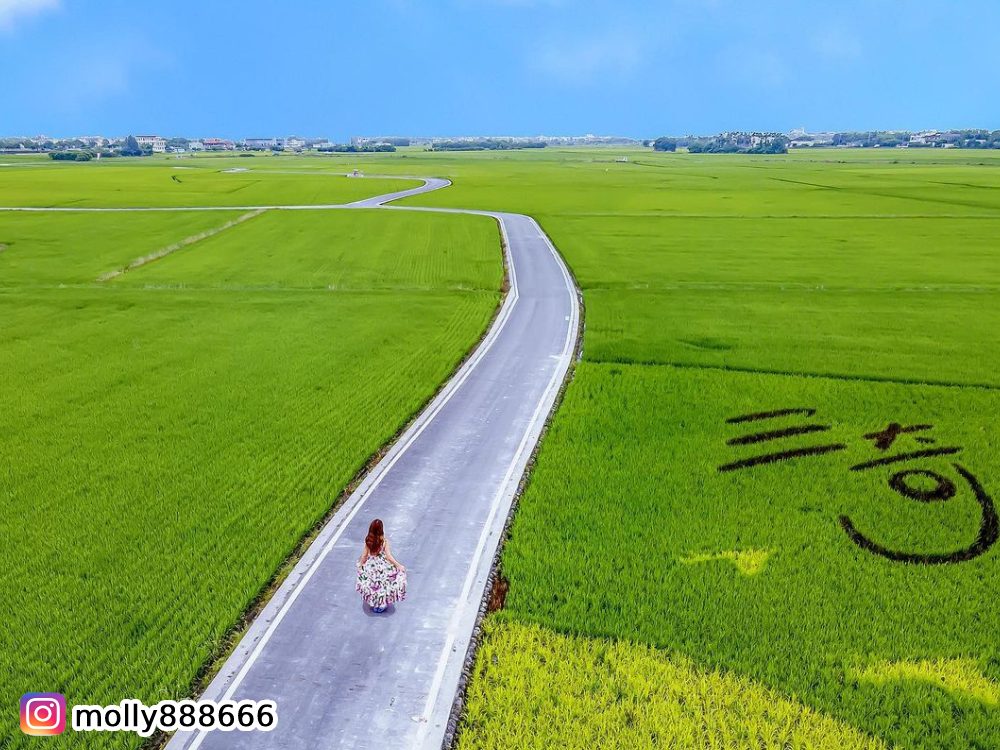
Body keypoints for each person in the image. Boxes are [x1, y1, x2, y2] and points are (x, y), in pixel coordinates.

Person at [356, 518, 406, 613]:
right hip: (382, 566)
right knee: (383, 584)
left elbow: (364, 555)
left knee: (373, 584)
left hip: (371, 566)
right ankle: (382, 603)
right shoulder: (384, 541)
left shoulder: (368, 541)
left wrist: (361, 565)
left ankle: (374, 603)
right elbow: (389, 556)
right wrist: (398, 565)